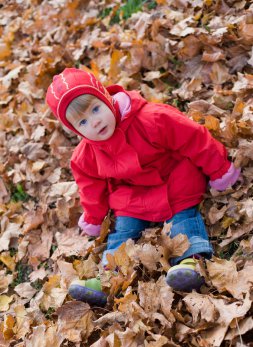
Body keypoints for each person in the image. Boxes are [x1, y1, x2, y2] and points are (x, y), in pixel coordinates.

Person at [46, 68, 240, 304]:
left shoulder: (150, 119)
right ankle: (107, 279)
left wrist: (219, 169)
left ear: (106, 97)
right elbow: (90, 188)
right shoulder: (85, 155)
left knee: (183, 218)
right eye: (83, 122)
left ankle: (191, 263)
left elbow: (193, 138)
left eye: (96, 109)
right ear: (76, 130)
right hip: (132, 197)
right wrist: (94, 218)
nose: (95, 122)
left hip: (173, 180)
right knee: (123, 233)